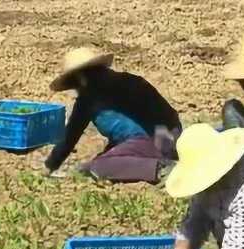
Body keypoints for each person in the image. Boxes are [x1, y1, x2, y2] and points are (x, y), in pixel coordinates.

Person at [44, 47, 181, 183]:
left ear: (80, 78)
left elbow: (70, 137)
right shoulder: (131, 80)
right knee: (107, 157)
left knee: (95, 167)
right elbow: (167, 115)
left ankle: (160, 168)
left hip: (151, 141)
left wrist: (51, 165)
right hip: (172, 137)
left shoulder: (88, 98)